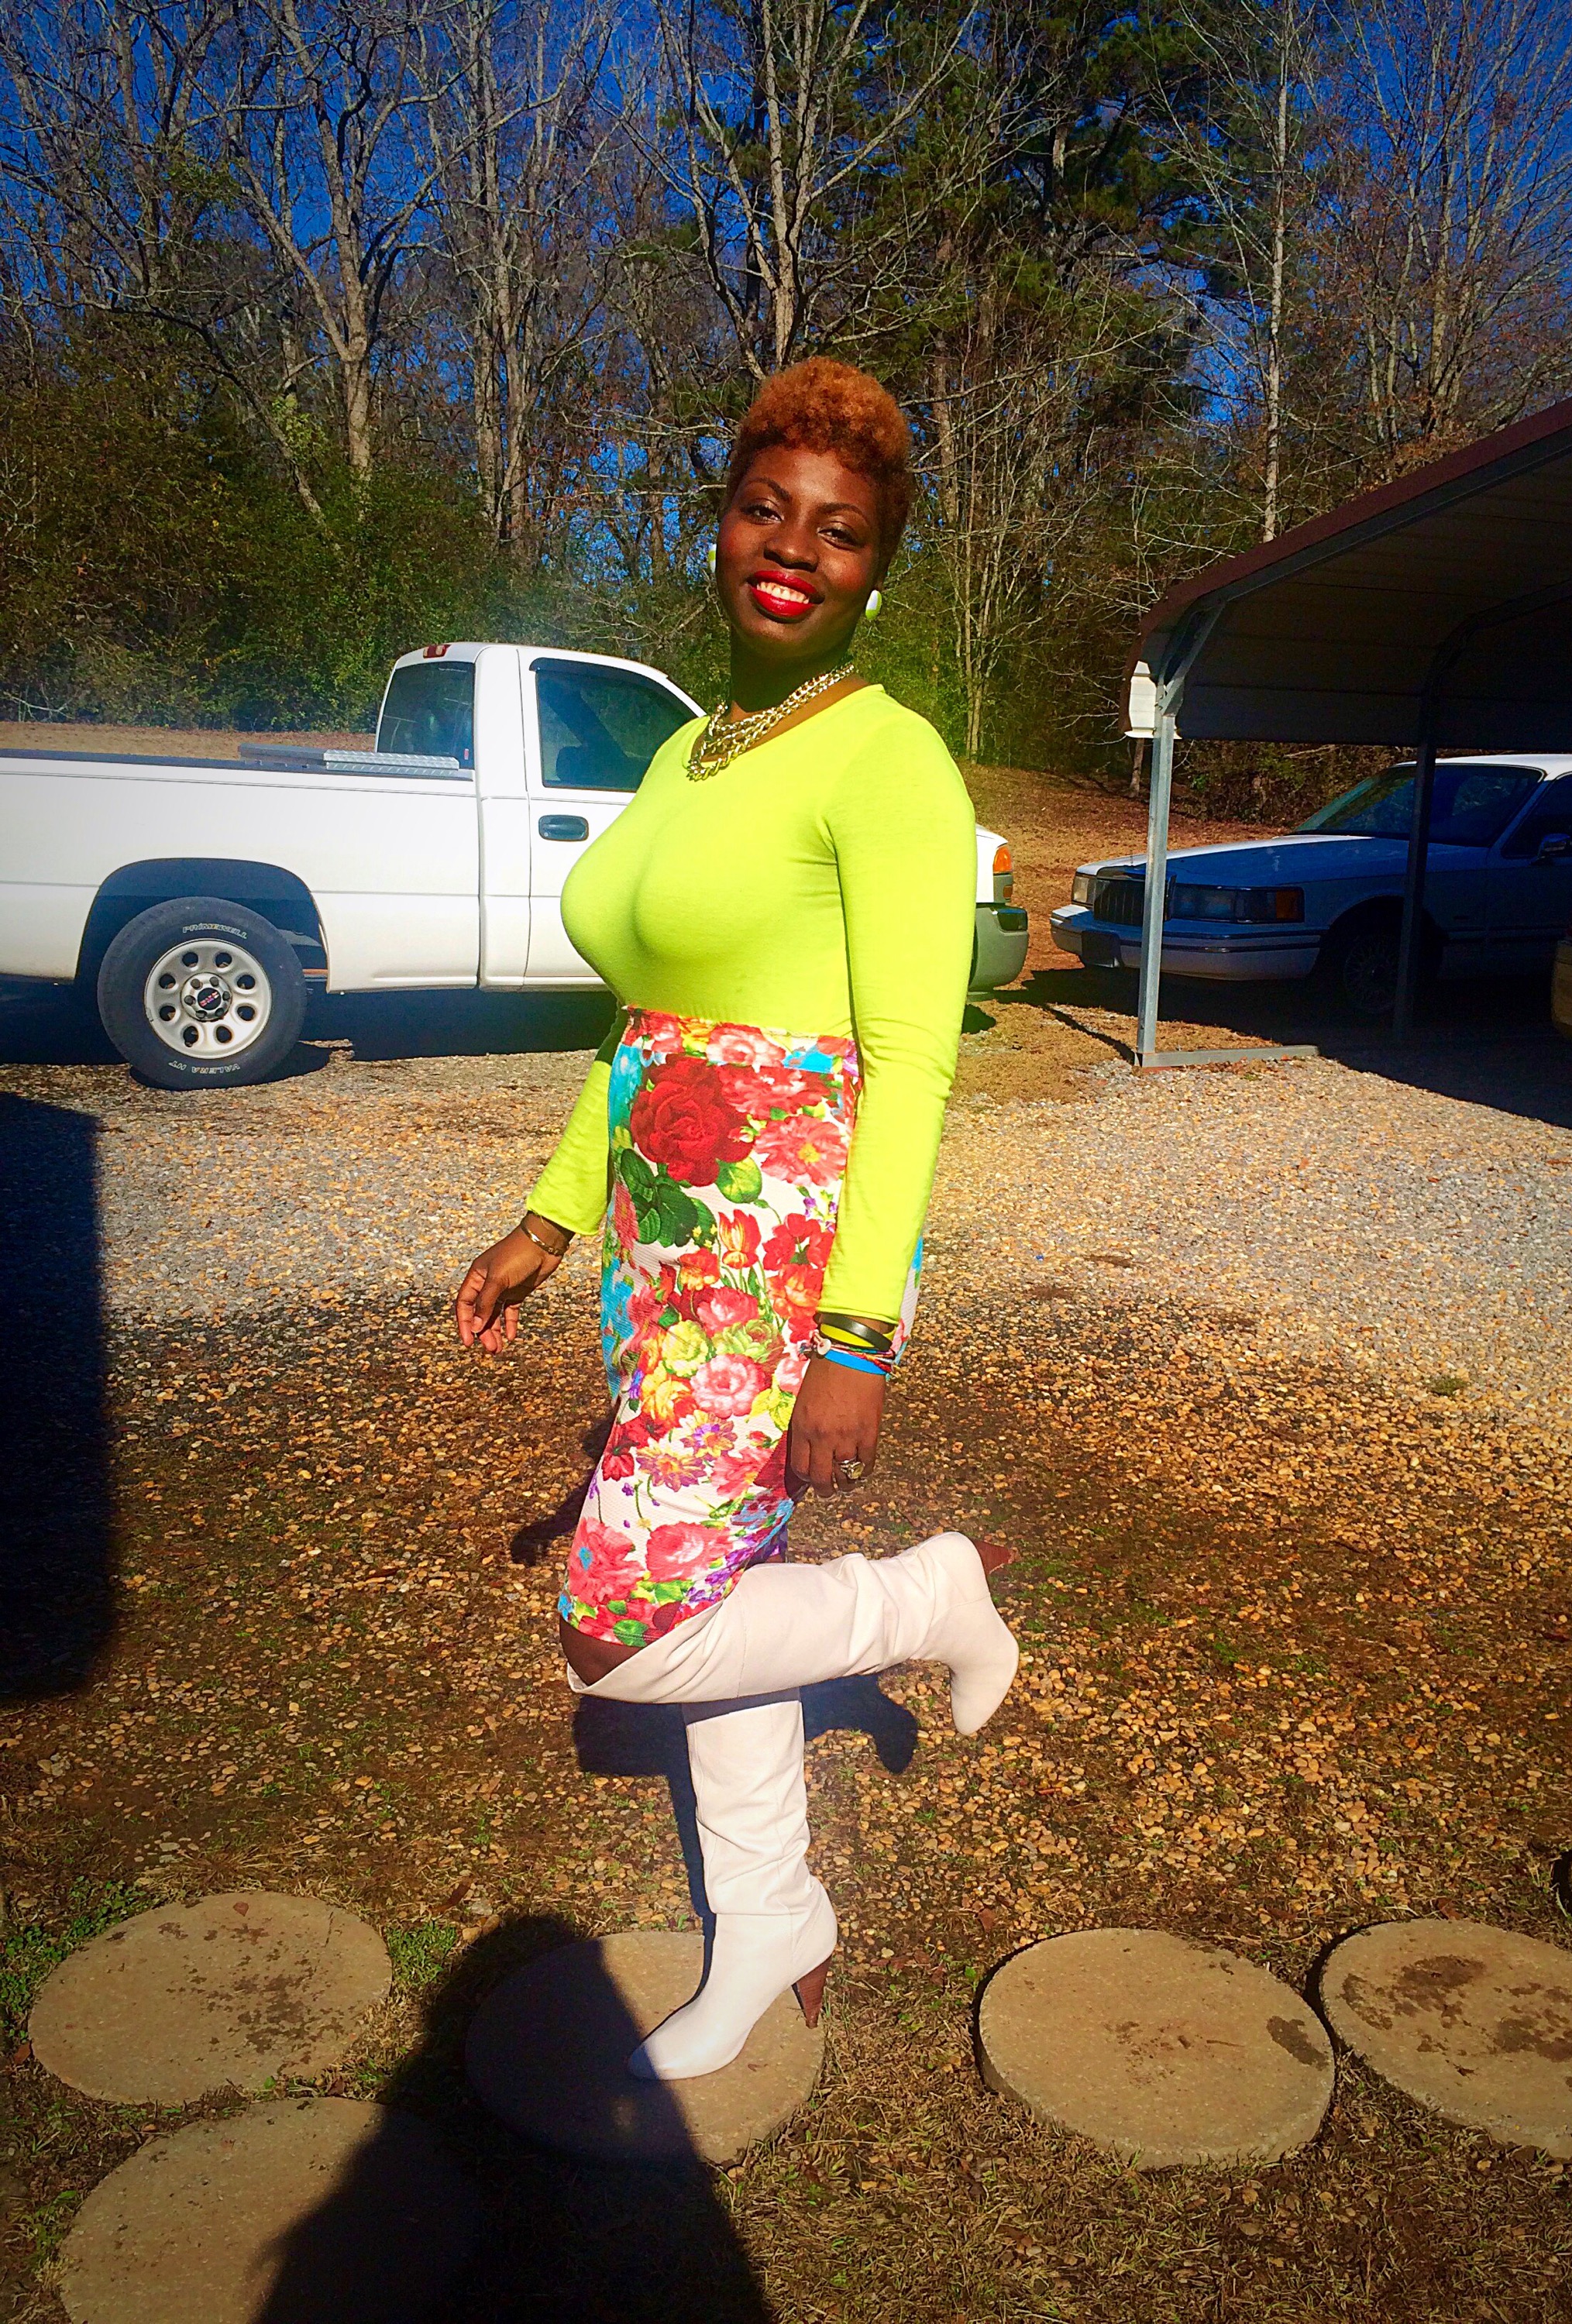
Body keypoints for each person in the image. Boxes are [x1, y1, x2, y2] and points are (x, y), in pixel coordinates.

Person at [454, 358, 1016, 2082]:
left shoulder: (888, 756)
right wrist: (552, 1221)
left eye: (836, 530)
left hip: (779, 1252)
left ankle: (923, 1598)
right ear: (719, 525)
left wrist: (859, 1335)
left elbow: (915, 1064)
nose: (792, 546)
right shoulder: (691, 752)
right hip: (662, 1239)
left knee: (618, 1625)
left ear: (877, 567)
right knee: (715, 1574)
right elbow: (644, 1026)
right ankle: (771, 1914)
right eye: (765, 508)